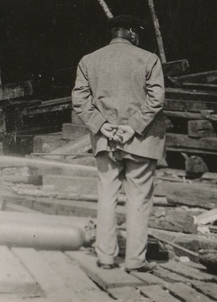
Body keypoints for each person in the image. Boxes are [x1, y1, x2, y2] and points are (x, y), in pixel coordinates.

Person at [72, 14, 166, 272]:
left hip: (105, 141)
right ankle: (136, 261)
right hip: (141, 141)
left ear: (114, 33)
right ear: (132, 33)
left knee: (106, 197)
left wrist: (103, 126)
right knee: (138, 200)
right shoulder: (149, 59)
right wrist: (131, 127)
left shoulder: (88, 60)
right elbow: (156, 100)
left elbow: (80, 101)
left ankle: (105, 257)